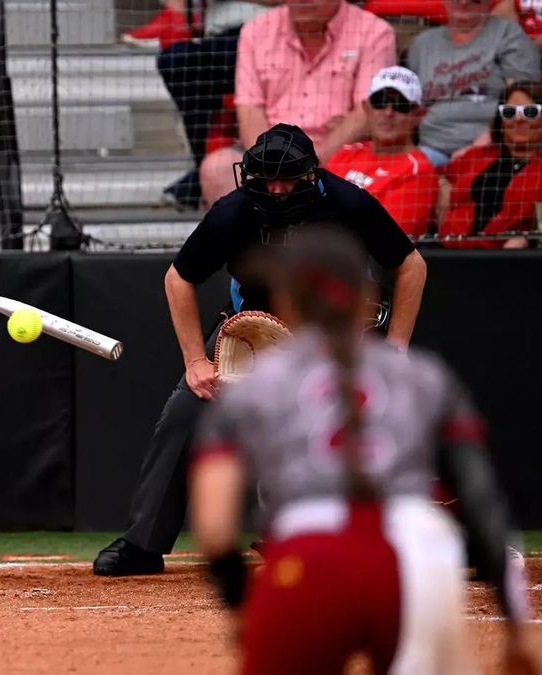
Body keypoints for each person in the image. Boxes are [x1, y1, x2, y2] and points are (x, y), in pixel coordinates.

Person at [189, 226, 540, 674]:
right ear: (367, 296)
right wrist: (514, 629)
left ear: (283, 303)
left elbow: (216, 529)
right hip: (418, 561)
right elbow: (482, 503)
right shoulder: (427, 378)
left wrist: (242, 607)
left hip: (308, 558)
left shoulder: (256, 389)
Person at [92, 124, 426, 577]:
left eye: (287, 179)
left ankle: (318, 532)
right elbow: (178, 278)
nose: (276, 190)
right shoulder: (233, 213)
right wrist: (195, 360)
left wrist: (399, 347)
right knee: (186, 411)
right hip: (252, 331)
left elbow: (411, 266)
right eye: (265, 179)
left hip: (330, 333)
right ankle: (143, 543)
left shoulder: (348, 204)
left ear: (312, 175)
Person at [199, 0, 396, 206]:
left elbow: (365, 113)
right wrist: (272, 164)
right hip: (270, 156)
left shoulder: (375, 32)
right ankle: (255, 237)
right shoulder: (256, 30)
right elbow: (250, 109)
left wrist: (308, 165)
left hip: (341, 153)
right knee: (217, 168)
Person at [156, 0, 281, 209]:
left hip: (271, 32)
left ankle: (198, 182)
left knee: (200, 58)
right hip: (216, 37)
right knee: (176, 61)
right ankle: (203, 173)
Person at [406, 0, 539, 167]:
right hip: (430, 150)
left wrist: (475, 149)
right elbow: (410, 109)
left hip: (492, 150)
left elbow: (522, 103)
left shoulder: (509, 35)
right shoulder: (422, 44)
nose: (463, 2)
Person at [325, 65, 439, 237]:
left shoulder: (418, 171)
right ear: (366, 108)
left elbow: (388, 242)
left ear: (418, 114)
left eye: (400, 105)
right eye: (380, 102)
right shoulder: (345, 153)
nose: (388, 112)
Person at [438, 80, 542, 247]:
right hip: (454, 253)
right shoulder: (478, 156)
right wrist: (442, 186)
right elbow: (436, 174)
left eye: (530, 112)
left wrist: (526, 239)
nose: (519, 119)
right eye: (509, 112)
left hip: (514, 260)